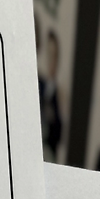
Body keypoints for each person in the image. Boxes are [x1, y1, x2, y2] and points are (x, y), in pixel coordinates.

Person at [39, 30, 62, 159]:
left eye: (54, 56)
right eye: (49, 54)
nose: (51, 61)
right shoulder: (38, 83)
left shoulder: (59, 96)